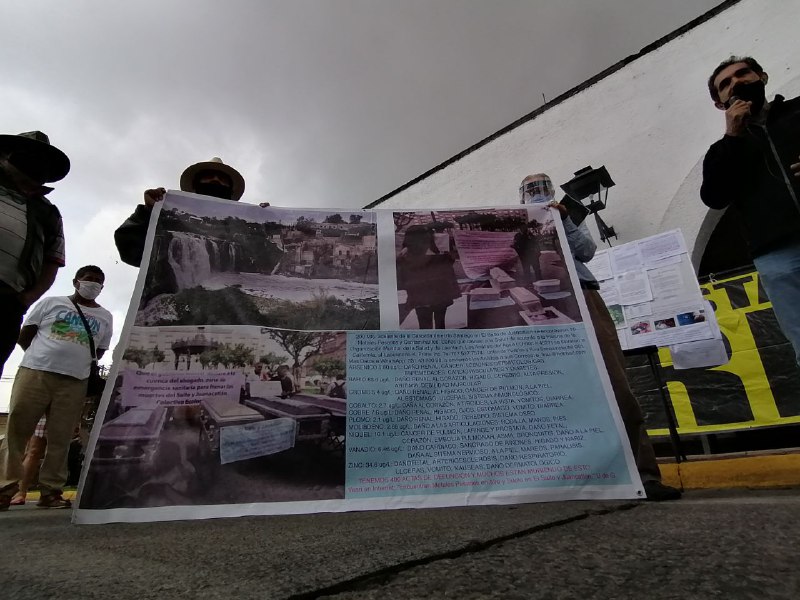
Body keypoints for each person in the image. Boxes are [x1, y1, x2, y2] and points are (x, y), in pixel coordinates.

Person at [520, 174, 681, 501]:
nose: (538, 193)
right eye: (531, 189)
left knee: (614, 383)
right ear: (521, 196)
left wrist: (563, 220)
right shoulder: (517, 226)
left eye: (543, 187)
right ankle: (563, 475)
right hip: (540, 301)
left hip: (583, 294)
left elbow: (587, 251)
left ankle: (643, 475)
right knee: (551, 388)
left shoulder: (566, 216)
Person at [701, 56, 800, 364]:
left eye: (743, 74)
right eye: (725, 84)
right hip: (777, 255)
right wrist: (733, 137)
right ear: (720, 104)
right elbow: (715, 197)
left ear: (763, 77)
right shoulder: (721, 152)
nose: (737, 83)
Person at [0, 265, 113, 510]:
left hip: (75, 381)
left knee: (60, 438)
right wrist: (46, 357)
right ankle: (5, 489)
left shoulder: (105, 316)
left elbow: (100, 351)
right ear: (76, 282)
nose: (93, 284)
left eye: (98, 281)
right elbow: (25, 335)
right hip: (36, 372)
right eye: (88, 278)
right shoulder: (51, 303)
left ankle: (51, 491)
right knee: (17, 431)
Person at [0, 131, 69, 377]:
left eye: (42, 160)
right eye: (27, 154)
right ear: (6, 155)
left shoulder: (48, 213)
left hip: (7, 301)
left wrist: (27, 298)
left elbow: (53, 261)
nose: (34, 163)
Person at [114, 157, 250, 267]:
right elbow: (131, 251)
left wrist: (264, 220)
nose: (215, 180)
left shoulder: (241, 228)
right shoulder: (170, 219)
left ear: (229, 191)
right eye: (209, 176)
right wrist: (149, 211)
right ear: (196, 185)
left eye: (222, 179)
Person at [397, 225, 461, 329]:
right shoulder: (440, 258)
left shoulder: (404, 259)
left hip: (424, 298)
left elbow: (402, 281)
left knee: (427, 325)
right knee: (437, 324)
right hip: (436, 297)